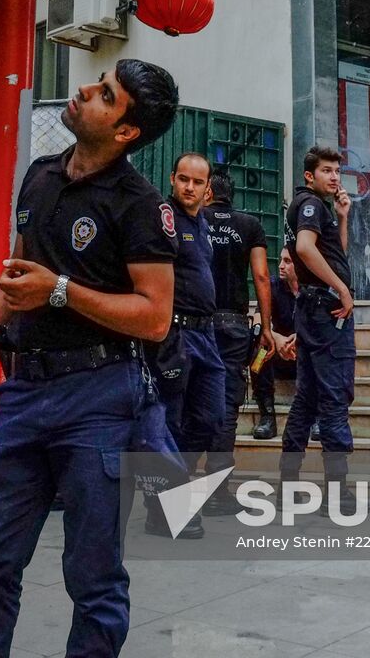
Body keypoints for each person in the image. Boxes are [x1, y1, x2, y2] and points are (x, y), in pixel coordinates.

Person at [0, 59, 179, 658]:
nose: (83, 91)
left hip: (102, 394)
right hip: (25, 392)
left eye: (104, 95)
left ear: (126, 131)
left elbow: (155, 316)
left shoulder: (140, 204)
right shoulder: (41, 176)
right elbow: (15, 275)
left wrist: (59, 290)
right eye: (97, 82)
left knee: (93, 573)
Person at [140, 153, 223, 539]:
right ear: (173, 179)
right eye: (183, 179)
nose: (189, 187)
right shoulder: (165, 220)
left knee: (209, 418)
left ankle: (169, 492)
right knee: (168, 422)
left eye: (197, 182)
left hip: (206, 336)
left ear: (208, 190)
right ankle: (164, 507)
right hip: (174, 335)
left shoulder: (201, 223)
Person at [279, 146, 356, 510]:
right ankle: (338, 494)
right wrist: (341, 288)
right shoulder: (309, 204)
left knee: (307, 398)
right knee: (334, 395)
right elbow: (306, 248)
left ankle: (287, 488)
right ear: (309, 176)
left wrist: (341, 218)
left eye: (337, 171)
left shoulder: (318, 207)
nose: (335, 177)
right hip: (327, 310)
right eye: (327, 171)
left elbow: (331, 254)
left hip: (314, 309)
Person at [201, 172, 273, 514]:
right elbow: (260, 275)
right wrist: (267, 327)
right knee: (227, 409)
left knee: (189, 403)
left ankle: (176, 492)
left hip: (195, 323)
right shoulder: (250, 224)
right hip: (232, 324)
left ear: (209, 192)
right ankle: (216, 493)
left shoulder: (194, 219)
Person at [251, 248, 299, 439]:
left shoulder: (313, 288)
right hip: (277, 355)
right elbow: (256, 321)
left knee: (322, 346)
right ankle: (267, 415)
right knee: (259, 346)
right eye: (280, 260)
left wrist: (301, 339)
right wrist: (276, 338)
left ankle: (318, 416)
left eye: (287, 261)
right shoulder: (272, 286)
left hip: (306, 356)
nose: (280, 265)